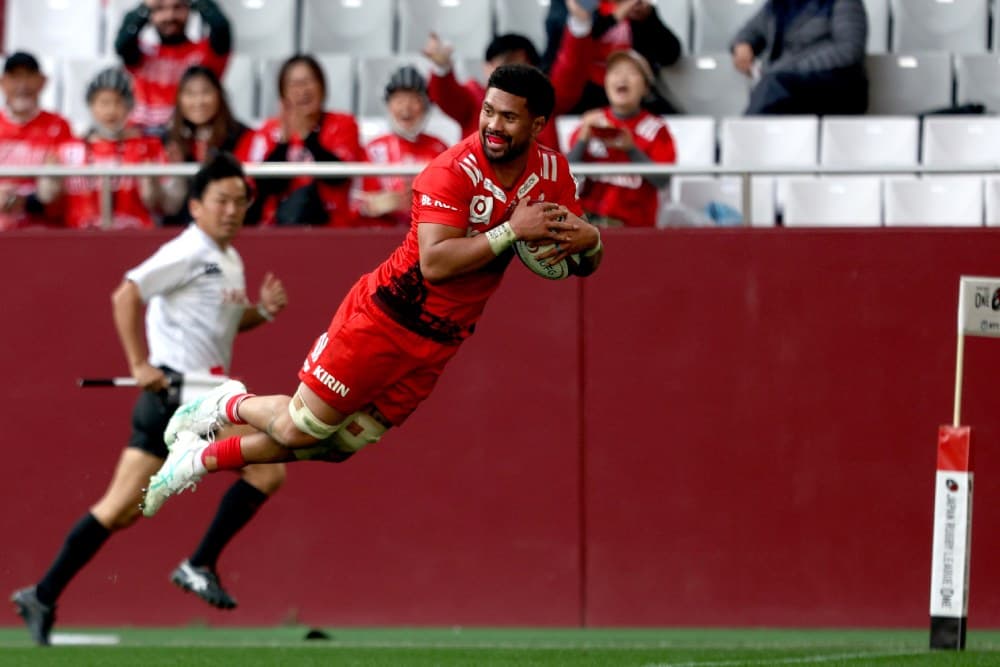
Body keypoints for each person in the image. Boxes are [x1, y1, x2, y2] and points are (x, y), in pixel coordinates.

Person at [138, 64, 604, 519]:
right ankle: (222, 405)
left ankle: (194, 459)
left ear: (538, 124)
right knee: (301, 427)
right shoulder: (451, 171)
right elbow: (436, 264)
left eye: (508, 116)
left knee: (340, 446)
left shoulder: (551, 173)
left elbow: (577, 257)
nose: (492, 125)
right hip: (387, 317)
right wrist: (510, 231)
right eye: (488, 111)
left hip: (442, 339)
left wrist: (592, 244)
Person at [10, 152, 288, 646]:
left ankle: (43, 593)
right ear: (196, 206)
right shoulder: (187, 250)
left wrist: (261, 313)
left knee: (120, 509)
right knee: (268, 467)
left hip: (180, 401)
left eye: (240, 202)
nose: (231, 210)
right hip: (186, 395)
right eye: (221, 200)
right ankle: (199, 563)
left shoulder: (229, 259)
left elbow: (225, 323)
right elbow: (126, 294)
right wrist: (140, 364)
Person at [42, 67, 178, 230]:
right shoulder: (68, 149)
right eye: (104, 102)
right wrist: (49, 179)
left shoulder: (150, 147)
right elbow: (49, 200)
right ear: (91, 105)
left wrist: (152, 184)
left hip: (135, 237)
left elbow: (169, 205)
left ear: (129, 107)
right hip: (78, 239)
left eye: (118, 102)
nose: (111, 110)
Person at [245, 54, 364, 227]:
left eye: (309, 81)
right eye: (294, 84)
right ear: (283, 94)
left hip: (333, 226)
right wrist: (284, 143)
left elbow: (339, 178)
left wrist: (307, 137)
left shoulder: (343, 124)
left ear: (322, 87)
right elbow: (264, 187)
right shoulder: (268, 131)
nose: (303, 90)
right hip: (279, 228)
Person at [567, 50, 676, 227]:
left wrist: (631, 149)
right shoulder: (591, 121)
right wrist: (583, 138)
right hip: (588, 226)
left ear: (646, 87)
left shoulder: (657, 129)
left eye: (632, 72)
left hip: (634, 228)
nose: (622, 78)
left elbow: (663, 180)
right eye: (616, 72)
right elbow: (564, 176)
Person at [422, 33, 573, 151]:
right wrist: (442, 69)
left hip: (539, 187)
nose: (513, 73)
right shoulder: (473, 98)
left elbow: (571, 69)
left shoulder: (545, 99)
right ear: (487, 67)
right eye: (505, 65)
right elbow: (447, 95)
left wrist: (580, 24)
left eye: (521, 66)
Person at [730, 0, 868, 115]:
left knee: (771, 86)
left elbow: (848, 49)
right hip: (785, 88)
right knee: (769, 87)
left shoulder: (842, 2)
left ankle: (735, 144)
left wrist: (788, 68)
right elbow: (749, 31)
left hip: (832, 90)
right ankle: (736, 142)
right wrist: (742, 45)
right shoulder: (778, 6)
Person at [115, 0, 232, 132]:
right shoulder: (142, 54)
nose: (170, 16)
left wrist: (200, 2)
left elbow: (221, 28)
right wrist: (144, 8)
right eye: (160, 9)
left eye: (178, 7)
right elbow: (123, 42)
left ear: (189, 10)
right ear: (150, 15)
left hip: (188, 138)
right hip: (143, 139)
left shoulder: (205, 52)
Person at [548, 0, 682, 115]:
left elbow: (670, 55)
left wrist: (648, 18)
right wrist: (615, 17)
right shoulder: (579, 4)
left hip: (633, 95)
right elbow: (572, 36)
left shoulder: (636, 9)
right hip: (584, 94)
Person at [356, 66, 449, 227]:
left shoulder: (440, 149)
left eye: (414, 100)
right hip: (381, 236)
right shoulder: (373, 149)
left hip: (426, 237)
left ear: (426, 107)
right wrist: (375, 205)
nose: (406, 107)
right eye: (399, 100)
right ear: (388, 105)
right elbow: (355, 204)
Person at [161, 65, 254, 225]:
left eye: (206, 92)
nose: (199, 101)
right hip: (179, 228)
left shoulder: (239, 135)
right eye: (190, 94)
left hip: (229, 224)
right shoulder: (169, 139)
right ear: (179, 99)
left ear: (219, 95)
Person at [0, 52, 74, 231]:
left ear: (42, 81)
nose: (22, 85)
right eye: (15, 77)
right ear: (3, 82)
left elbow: (67, 188)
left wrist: (27, 201)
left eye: (29, 76)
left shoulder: (59, 126)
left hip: (44, 230)